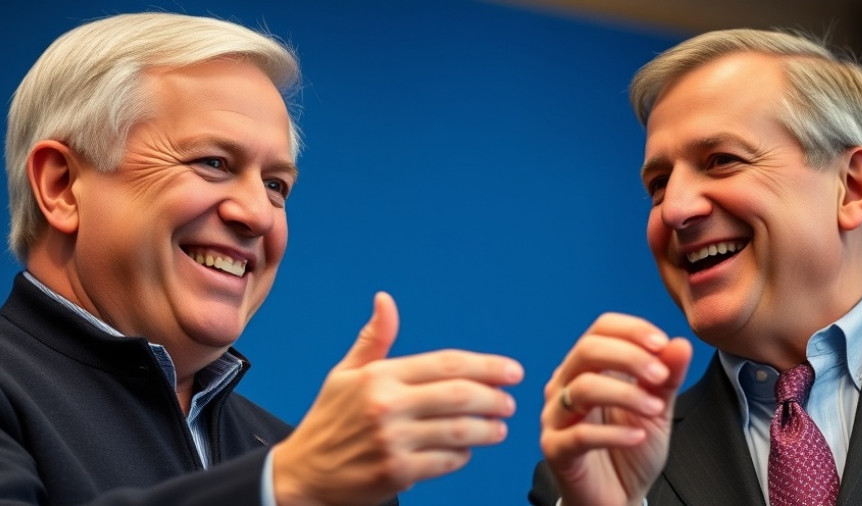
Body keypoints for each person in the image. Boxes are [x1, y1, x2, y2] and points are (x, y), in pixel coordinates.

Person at [0, 11, 524, 505]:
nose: (258, 215)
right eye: (213, 162)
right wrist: (285, 484)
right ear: (62, 186)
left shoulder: (297, 460)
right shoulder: (299, 476)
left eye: (276, 185)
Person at [529, 28, 862, 505]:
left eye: (722, 160)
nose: (674, 209)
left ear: (852, 188)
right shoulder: (594, 474)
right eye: (659, 184)